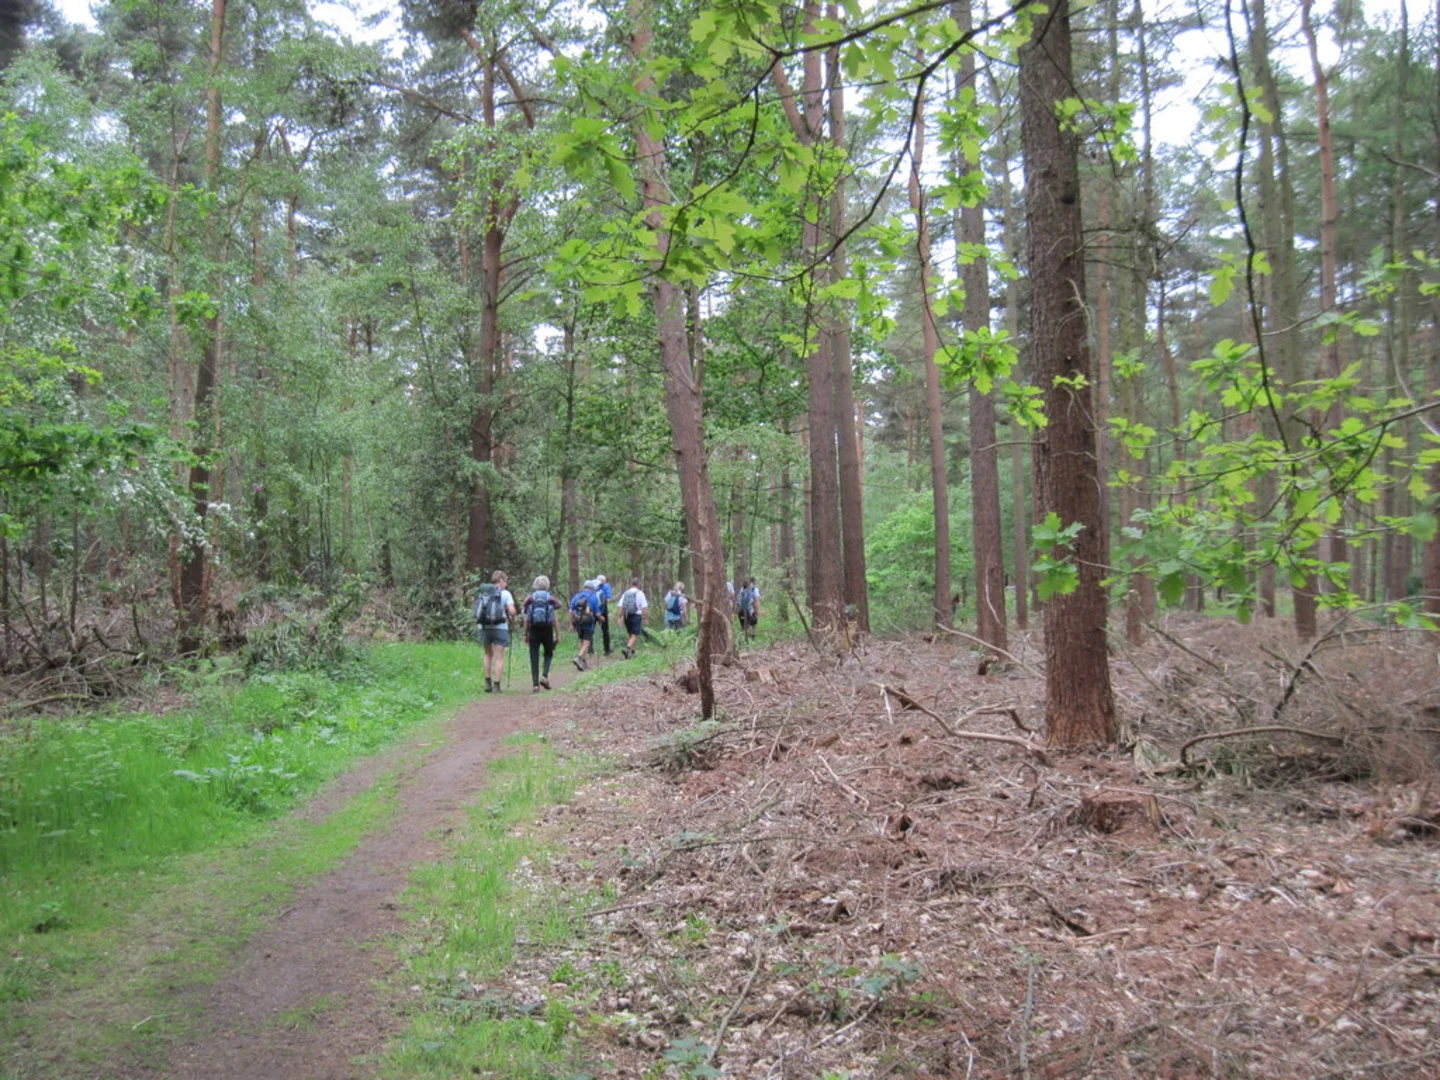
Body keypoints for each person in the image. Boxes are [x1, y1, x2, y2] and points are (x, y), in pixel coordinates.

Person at [475, 570, 516, 692]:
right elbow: (512, 611)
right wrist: (512, 619)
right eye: (506, 581)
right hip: (500, 628)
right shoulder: (505, 594)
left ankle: (487, 683)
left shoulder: (484, 593)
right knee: (499, 657)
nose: (506, 584)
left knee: (488, 655)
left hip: (485, 627)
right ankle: (496, 686)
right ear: (502, 580)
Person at [522, 575, 560, 692]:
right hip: (547, 629)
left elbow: (527, 618)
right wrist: (558, 633)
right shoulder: (550, 599)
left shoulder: (530, 599)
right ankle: (544, 676)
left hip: (534, 629)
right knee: (548, 653)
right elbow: (555, 616)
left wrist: (525, 633)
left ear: (535, 585)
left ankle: (535, 685)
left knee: (534, 656)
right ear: (547, 586)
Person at [617, 577, 656, 658]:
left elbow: (621, 606)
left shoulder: (626, 593)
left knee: (630, 634)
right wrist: (646, 618)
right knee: (635, 634)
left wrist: (619, 617)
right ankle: (627, 648)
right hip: (636, 615)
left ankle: (631, 652)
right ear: (638, 584)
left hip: (627, 615)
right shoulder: (640, 593)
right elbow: (644, 608)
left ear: (631, 584)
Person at [569, 579, 599, 671]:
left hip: (578, 622)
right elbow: (597, 613)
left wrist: (571, 623)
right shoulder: (593, 597)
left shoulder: (577, 596)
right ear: (591, 588)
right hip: (588, 623)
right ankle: (578, 657)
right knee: (587, 642)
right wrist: (601, 618)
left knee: (582, 641)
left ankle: (583, 661)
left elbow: (570, 610)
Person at [594, 574, 614, 656]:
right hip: (602, 611)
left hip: (592, 611)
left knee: (590, 630)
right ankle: (607, 649)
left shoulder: (592, 586)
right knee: (605, 630)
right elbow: (609, 599)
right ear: (604, 581)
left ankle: (590, 650)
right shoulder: (606, 586)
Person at [737, 577, 761, 642]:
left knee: (744, 626)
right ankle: (752, 640)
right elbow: (756, 601)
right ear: (752, 582)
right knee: (753, 625)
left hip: (741, 611)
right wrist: (757, 611)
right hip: (750, 611)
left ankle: (743, 640)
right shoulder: (754, 589)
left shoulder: (742, 589)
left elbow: (738, 601)